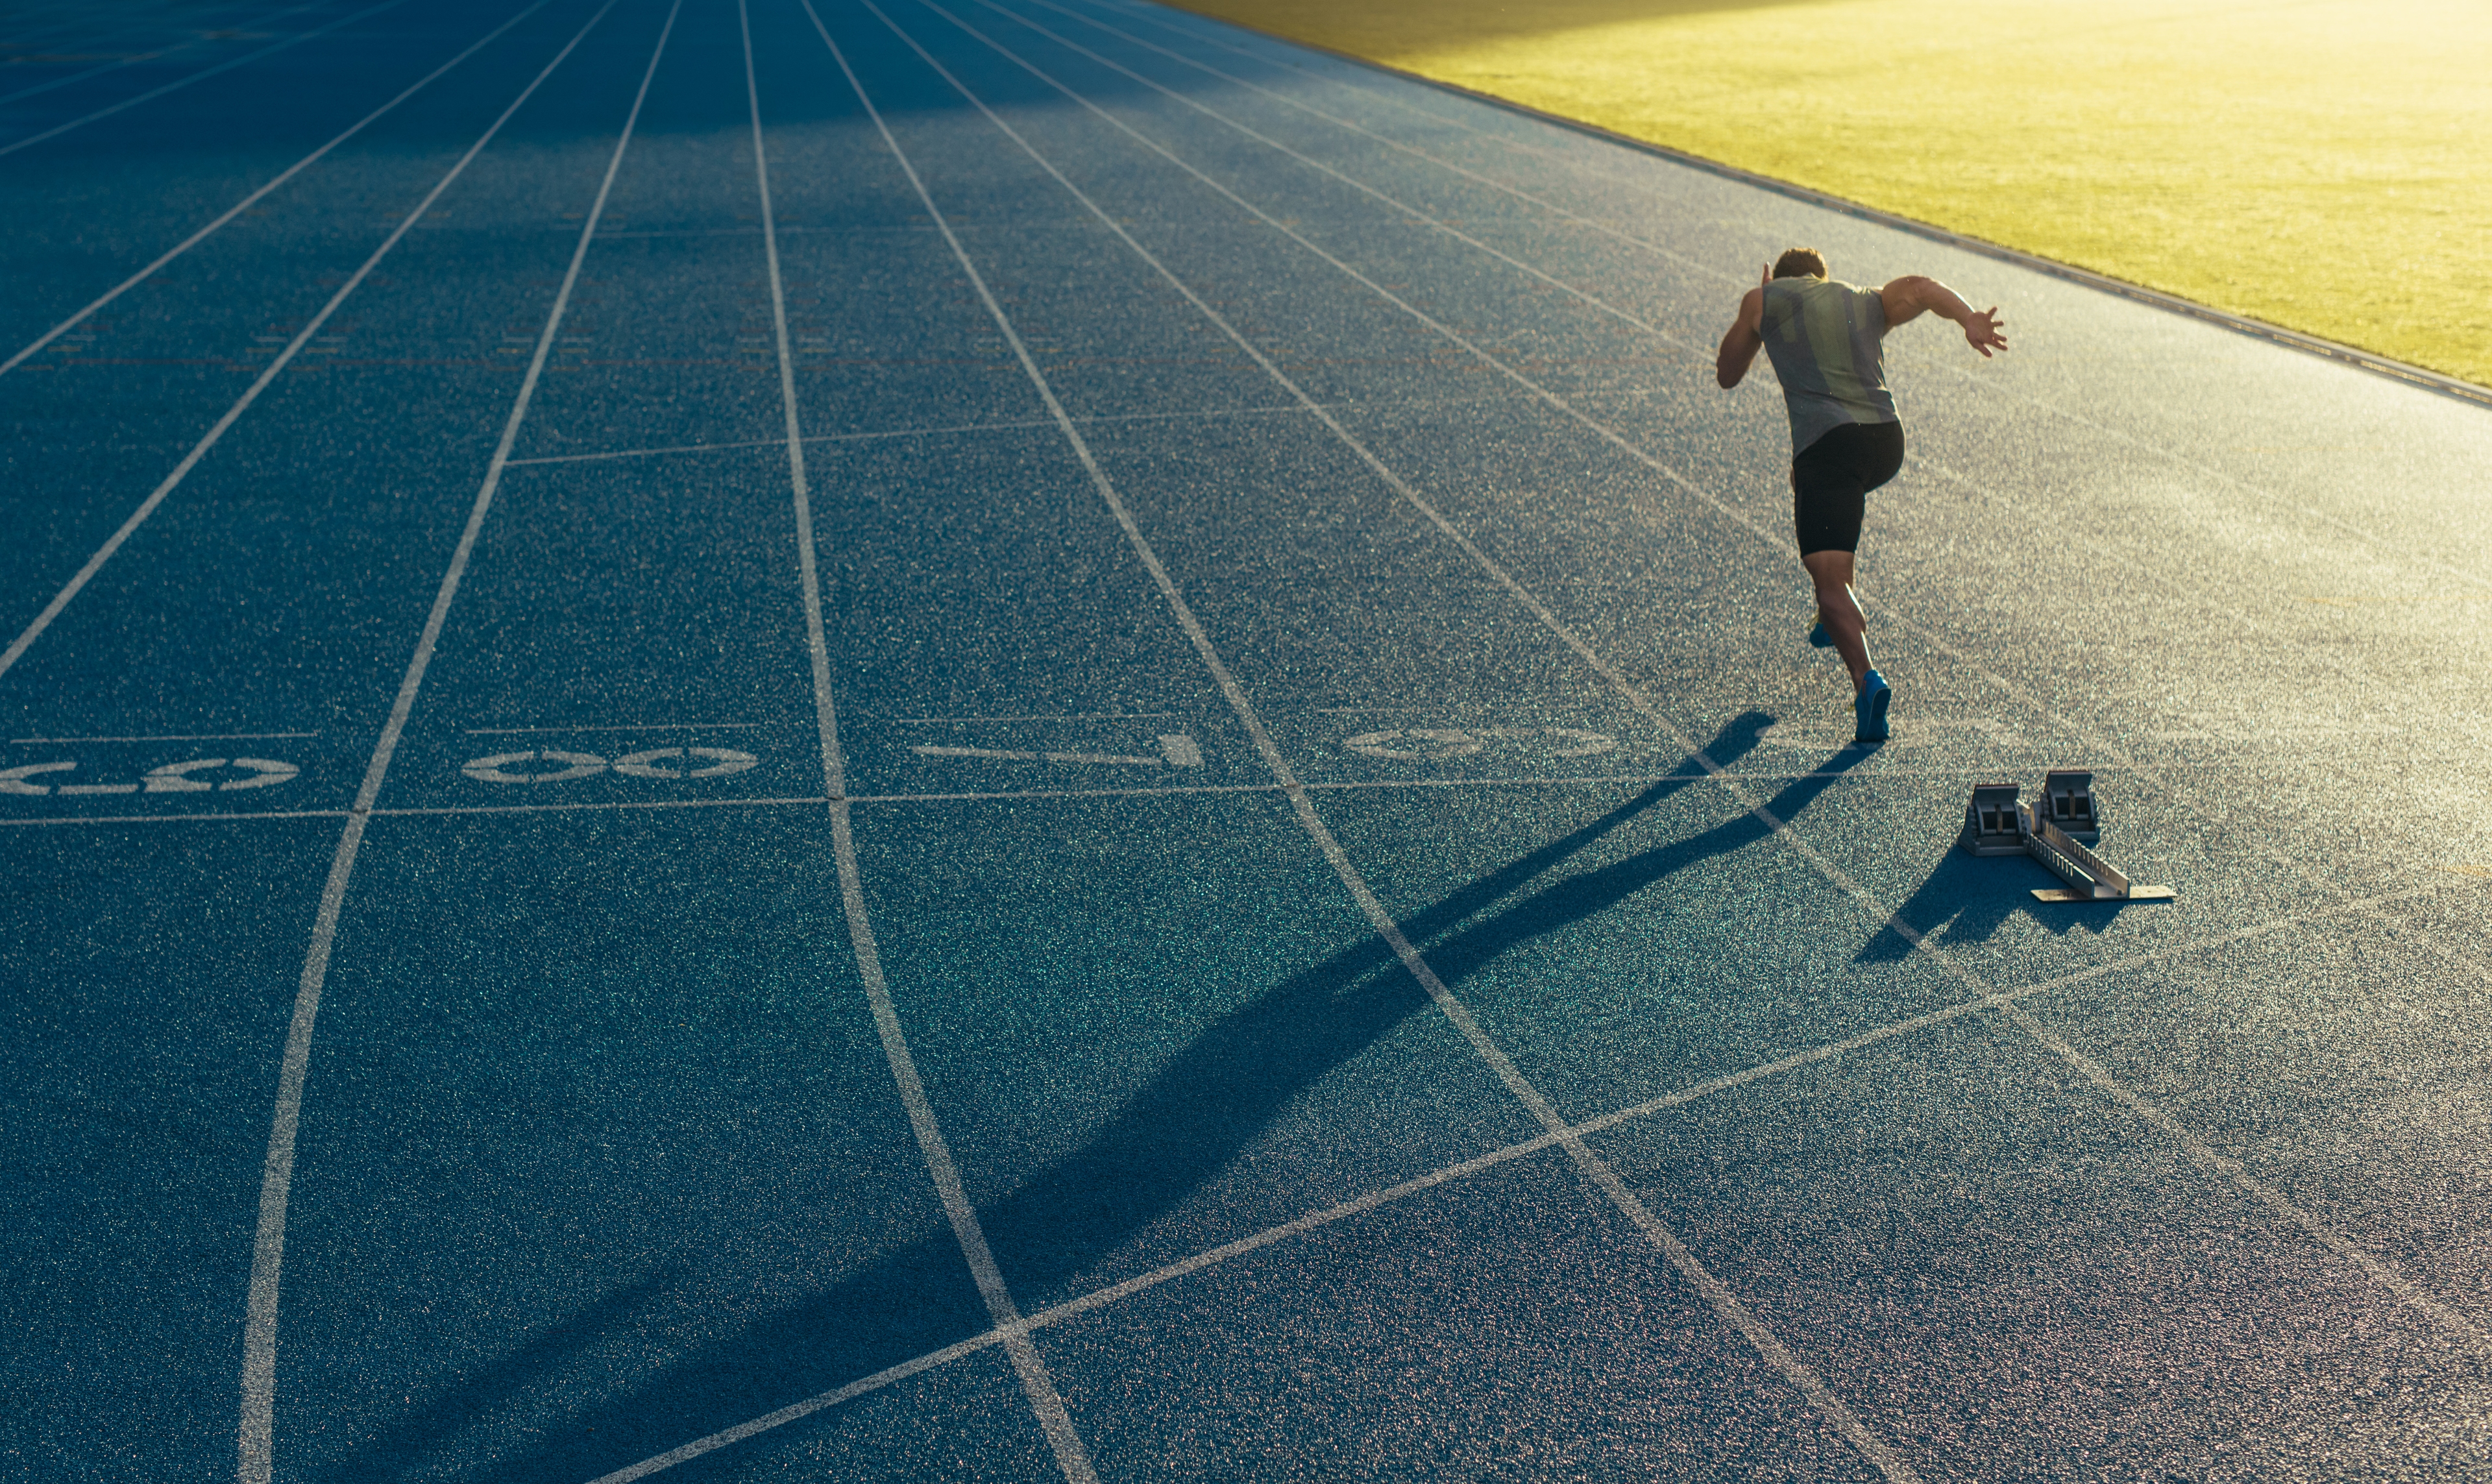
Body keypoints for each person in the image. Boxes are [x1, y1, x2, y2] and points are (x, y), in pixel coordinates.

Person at [1715, 248, 2008, 741]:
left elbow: (1727, 373)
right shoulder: (1862, 298)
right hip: (1884, 442)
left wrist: (1759, 309)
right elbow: (1920, 285)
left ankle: (1866, 677)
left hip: (1830, 447)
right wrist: (1969, 318)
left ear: (1781, 279)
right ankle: (1832, 614)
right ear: (1821, 279)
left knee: (1830, 582)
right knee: (1812, 492)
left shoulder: (1765, 298)